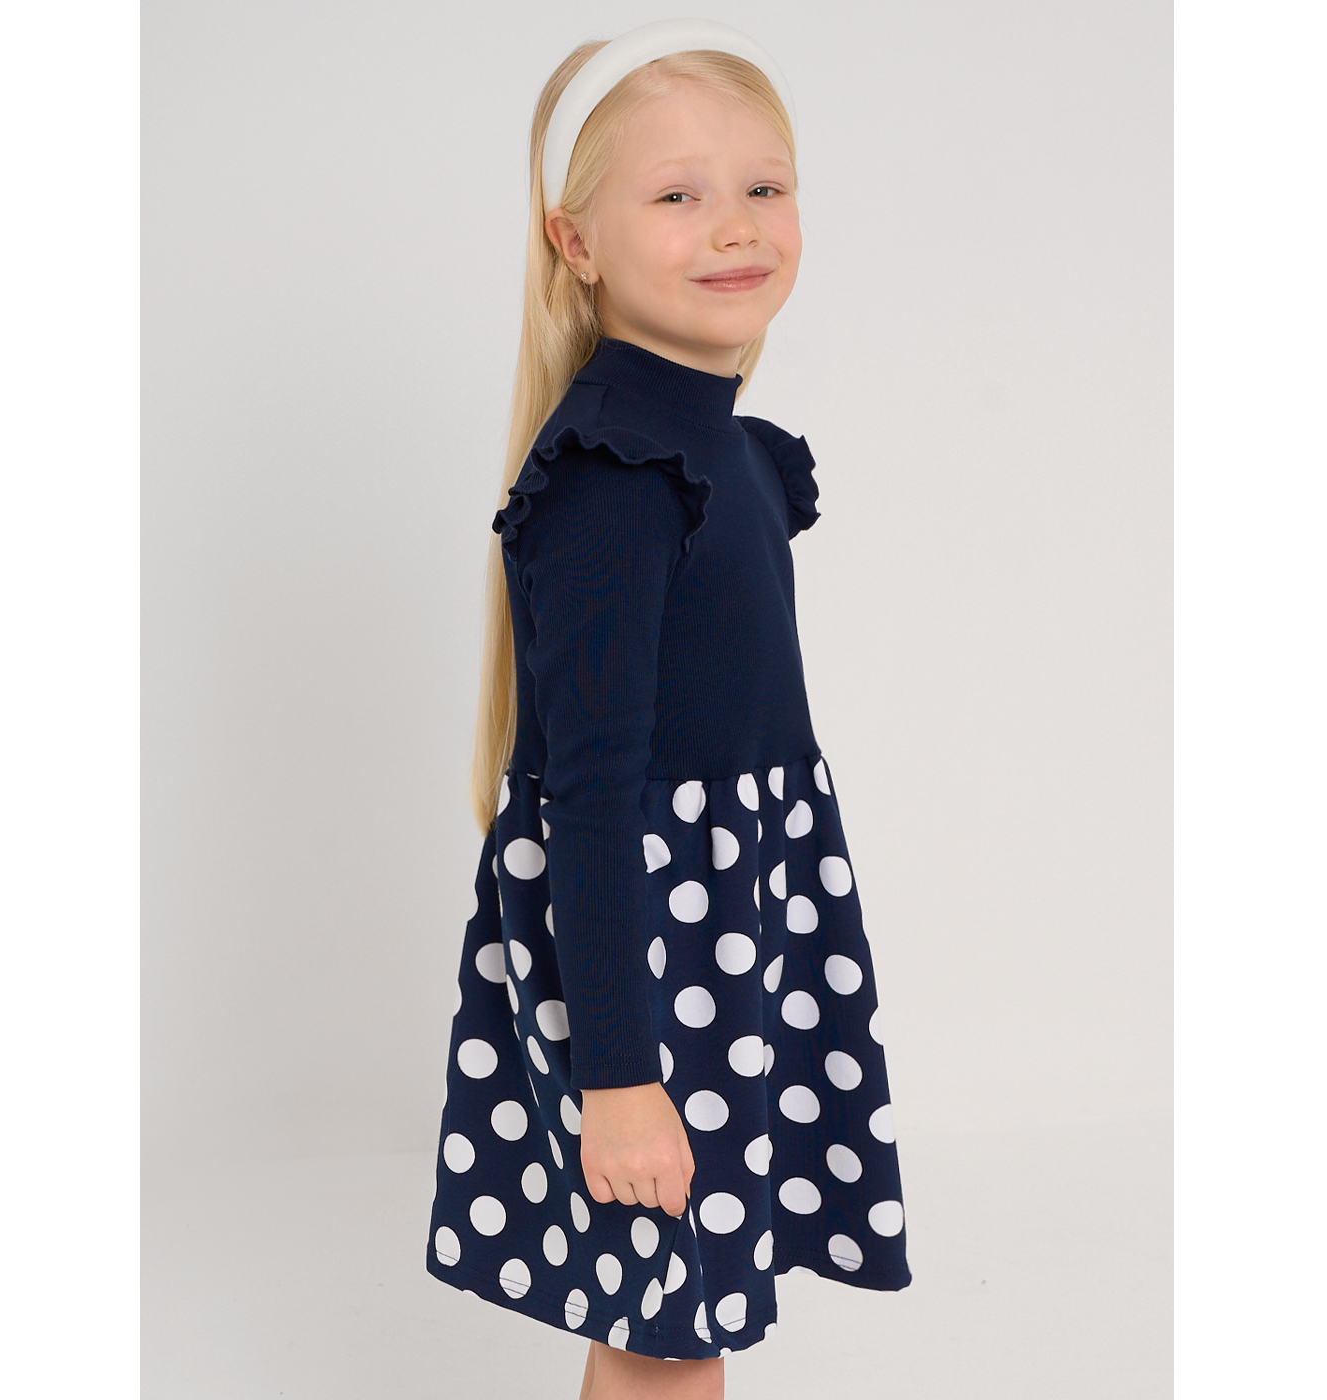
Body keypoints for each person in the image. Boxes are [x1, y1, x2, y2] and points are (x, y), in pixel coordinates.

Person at [426, 20, 911, 1398]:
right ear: (574, 242)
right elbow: (592, 800)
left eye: (765, 187)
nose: (736, 226)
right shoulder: (617, 477)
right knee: (669, 1324)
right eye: (679, 194)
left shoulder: (727, 451)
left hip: (729, 933)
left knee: (678, 1314)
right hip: (649, 957)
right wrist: (622, 1077)